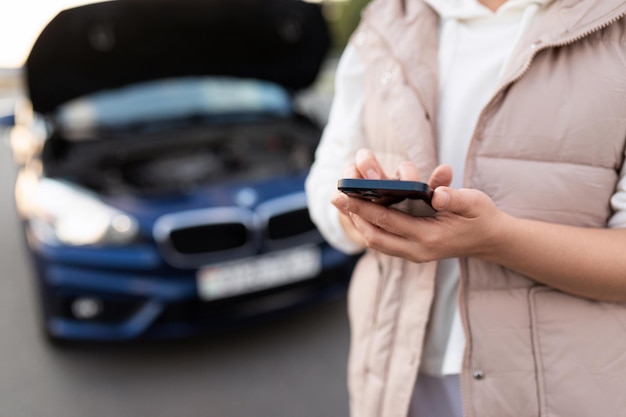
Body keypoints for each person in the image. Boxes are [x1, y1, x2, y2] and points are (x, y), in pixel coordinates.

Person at [305, 0, 626, 416]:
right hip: (394, 379)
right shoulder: (385, 22)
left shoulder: (611, 24)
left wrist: (497, 240)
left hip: (564, 389)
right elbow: (324, 181)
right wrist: (367, 217)